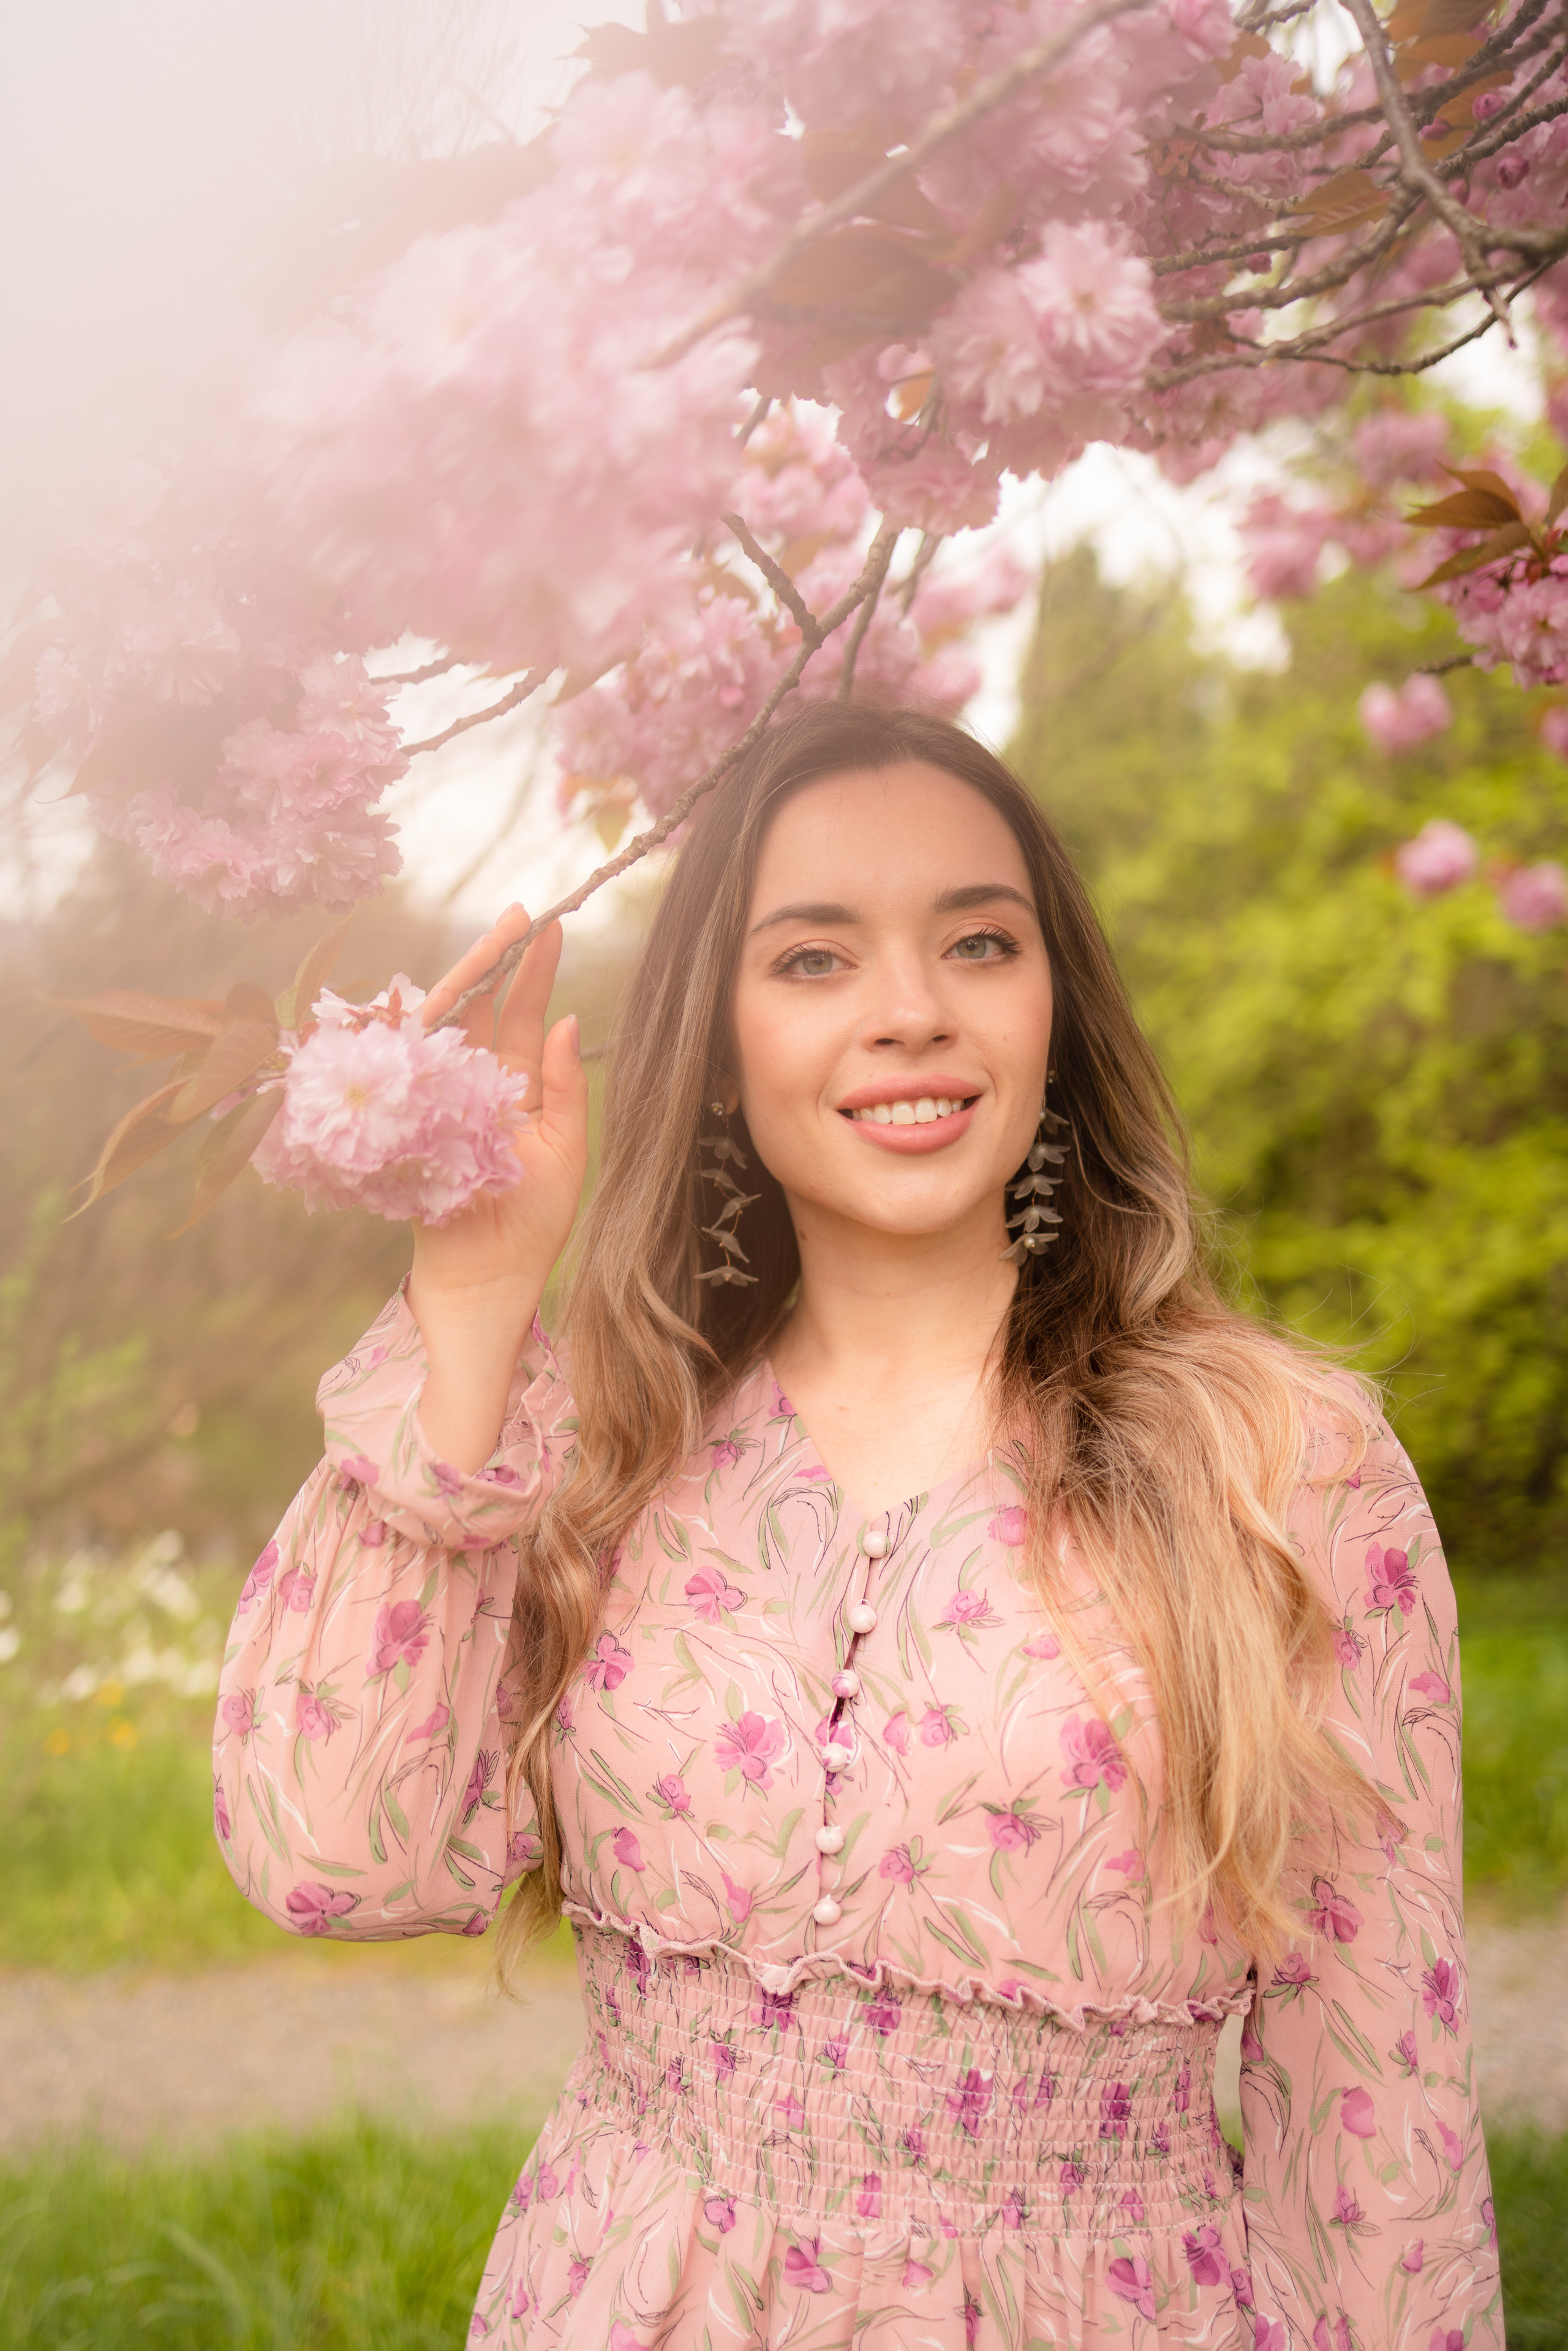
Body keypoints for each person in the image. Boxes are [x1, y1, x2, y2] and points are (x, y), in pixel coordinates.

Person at [215, 702, 1499, 2348]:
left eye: (978, 942)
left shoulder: (1281, 1462)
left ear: (1057, 1012)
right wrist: (473, 1291)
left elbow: (1377, 2126)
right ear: (723, 1031)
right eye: (816, 960)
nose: (911, 1013)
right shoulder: (604, 1443)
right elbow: (333, 1851)